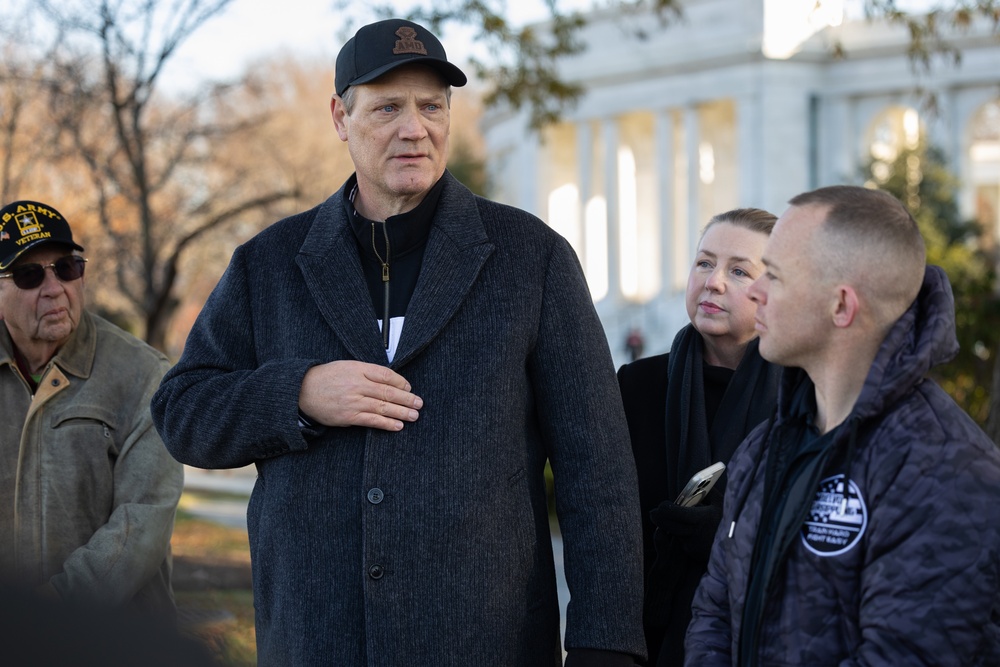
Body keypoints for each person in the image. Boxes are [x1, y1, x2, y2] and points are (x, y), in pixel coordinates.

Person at [151, 18, 645, 667]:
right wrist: (298, 393)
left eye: (432, 106)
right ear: (339, 117)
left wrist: (605, 644)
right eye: (388, 107)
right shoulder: (267, 264)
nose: (416, 128)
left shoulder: (533, 260)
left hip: (485, 650)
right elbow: (182, 410)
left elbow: (598, 472)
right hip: (314, 644)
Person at [685, 185, 1000, 665]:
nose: (754, 291)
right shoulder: (764, 447)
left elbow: (905, 654)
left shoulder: (948, 471)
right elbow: (713, 612)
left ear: (841, 307)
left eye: (776, 275)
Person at [0, 199, 183, 618]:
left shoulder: (142, 374)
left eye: (67, 267)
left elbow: (144, 519)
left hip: (116, 643)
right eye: (28, 275)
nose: (54, 288)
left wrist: (55, 608)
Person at [617, 208, 781, 667]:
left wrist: (728, 536)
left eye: (740, 270)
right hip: (649, 641)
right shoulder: (637, 386)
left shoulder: (804, 397)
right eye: (704, 263)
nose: (714, 282)